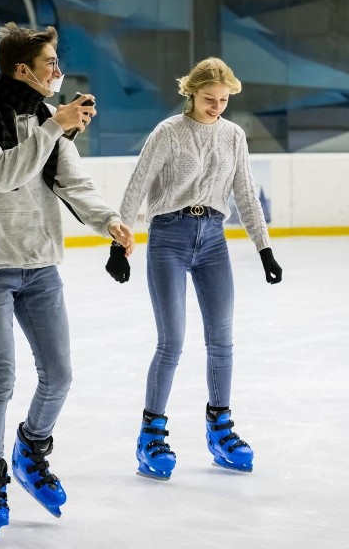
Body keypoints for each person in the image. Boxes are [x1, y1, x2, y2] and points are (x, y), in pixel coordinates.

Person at [0, 22, 134, 541]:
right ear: (22, 69)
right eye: (50, 63)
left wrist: (109, 221)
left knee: (59, 375)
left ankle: (30, 450)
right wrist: (54, 125)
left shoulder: (43, 116)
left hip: (39, 265)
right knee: (1, 379)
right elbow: (2, 174)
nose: (58, 71)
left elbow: (73, 183)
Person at [105, 57, 283, 481]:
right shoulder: (168, 132)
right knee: (172, 342)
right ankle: (151, 435)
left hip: (214, 241)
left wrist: (264, 249)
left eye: (223, 100)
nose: (217, 107)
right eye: (209, 99)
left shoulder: (234, 136)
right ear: (191, 93)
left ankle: (220, 429)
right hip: (169, 236)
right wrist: (118, 243)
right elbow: (138, 184)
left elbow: (244, 192)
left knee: (222, 340)